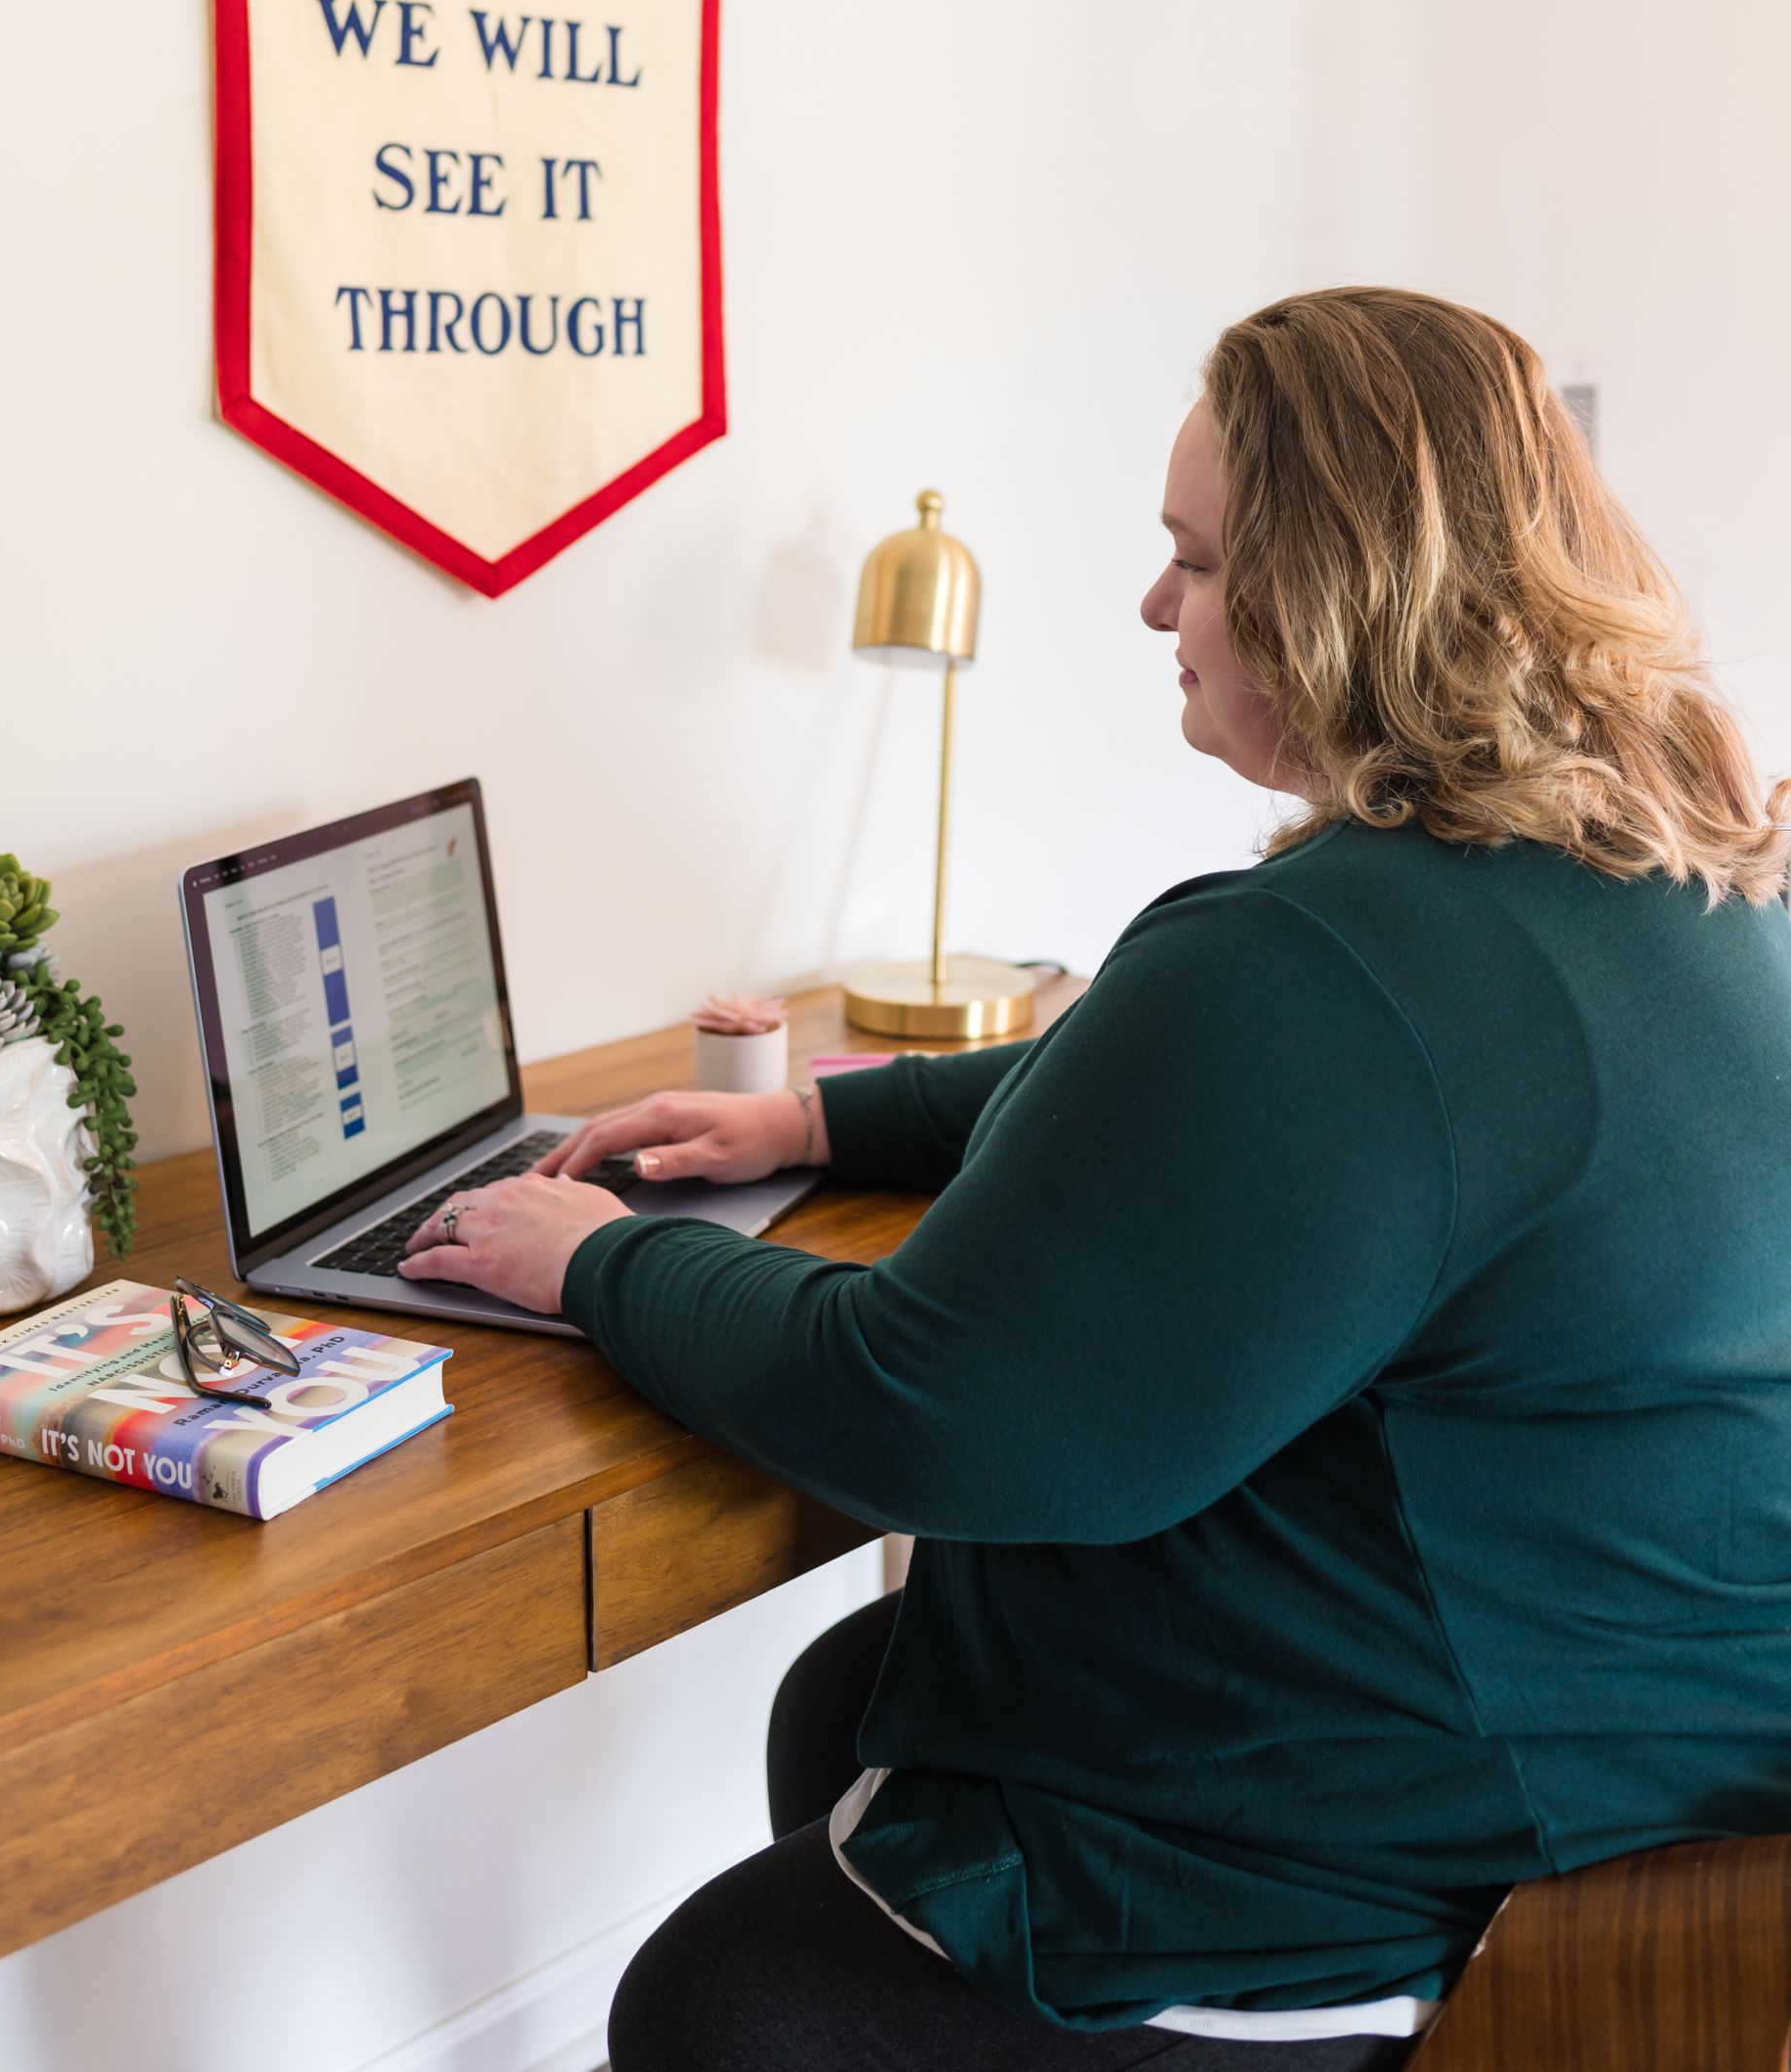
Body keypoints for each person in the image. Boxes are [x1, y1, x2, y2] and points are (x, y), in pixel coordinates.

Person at [401, 288, 1791, 2070]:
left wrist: (595, 1261)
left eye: (1195, 561)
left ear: (1336, 590)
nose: (1157, 606)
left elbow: (923, 1404)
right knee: (851, 1689)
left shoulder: (1319, 958)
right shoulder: (1656, 867)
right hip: (1671, 1766)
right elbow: (1188, 1100)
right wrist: (823, 1123)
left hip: (1441, 1856)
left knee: (715, 1998)